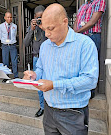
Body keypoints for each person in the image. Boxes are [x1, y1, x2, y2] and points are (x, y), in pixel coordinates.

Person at [23, 3, 99, 135]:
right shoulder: (45, 46)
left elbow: (90, 80)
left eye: (51, 28)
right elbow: (41, 68)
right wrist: (34, 75)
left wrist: (54, 85)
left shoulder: (85, 44)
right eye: (44, 28)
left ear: (64, 22)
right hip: (49, 110)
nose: (46, 34)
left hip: (72, 113)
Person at [73, 0, 106, 98]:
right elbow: (76, 20)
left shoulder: (99, 1)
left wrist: (77, 32)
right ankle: (81, 88)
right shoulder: (83, 5)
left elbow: (93, 21)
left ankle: (90, 91)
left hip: (92, 36)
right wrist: (75, 33)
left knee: (91, 64)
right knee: (79, 63)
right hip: (80, 37)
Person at [23, 5, 47, 117]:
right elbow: (26, 43)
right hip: (37, 58)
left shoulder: (48, 25)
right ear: (34, 17)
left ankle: (51, 106)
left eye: (42, 17)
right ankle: (42, 107)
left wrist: (44, 26)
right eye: (38, 18)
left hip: (49, 58)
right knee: (39, 84)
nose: (40, 20)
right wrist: (31, 30)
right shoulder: (32, 27)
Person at [0, 11, 18, 82]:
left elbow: (14, 35)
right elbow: (0, 36)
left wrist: (11, 41)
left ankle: (16, 76)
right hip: (5, 46)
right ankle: (6, 77)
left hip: (13, 45)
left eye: (10, 17)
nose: (9, 19)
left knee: (14, 61)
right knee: (5, 61)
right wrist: (5, 42)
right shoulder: (0, 26)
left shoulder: (14, 26)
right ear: (5, 18)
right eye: (8, 17)